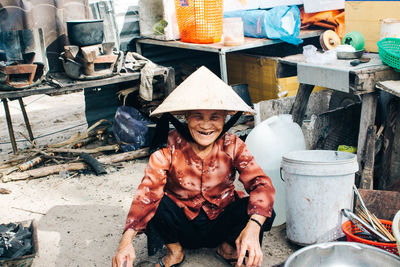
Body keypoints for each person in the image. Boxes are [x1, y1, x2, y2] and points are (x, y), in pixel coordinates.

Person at [112, 66, 275, 267]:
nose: (206, 126)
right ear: (186, 117)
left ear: (225, 118)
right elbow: (148, 191)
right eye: (197, 116)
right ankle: (175, 251)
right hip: (183, 228)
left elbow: (262, 185)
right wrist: (125, 242)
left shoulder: (233, 145)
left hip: (220, 224)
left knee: (262, 207)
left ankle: (227, 248)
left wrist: (253, 226)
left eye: (215, 117)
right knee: (156, 201)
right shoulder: (168, 147)